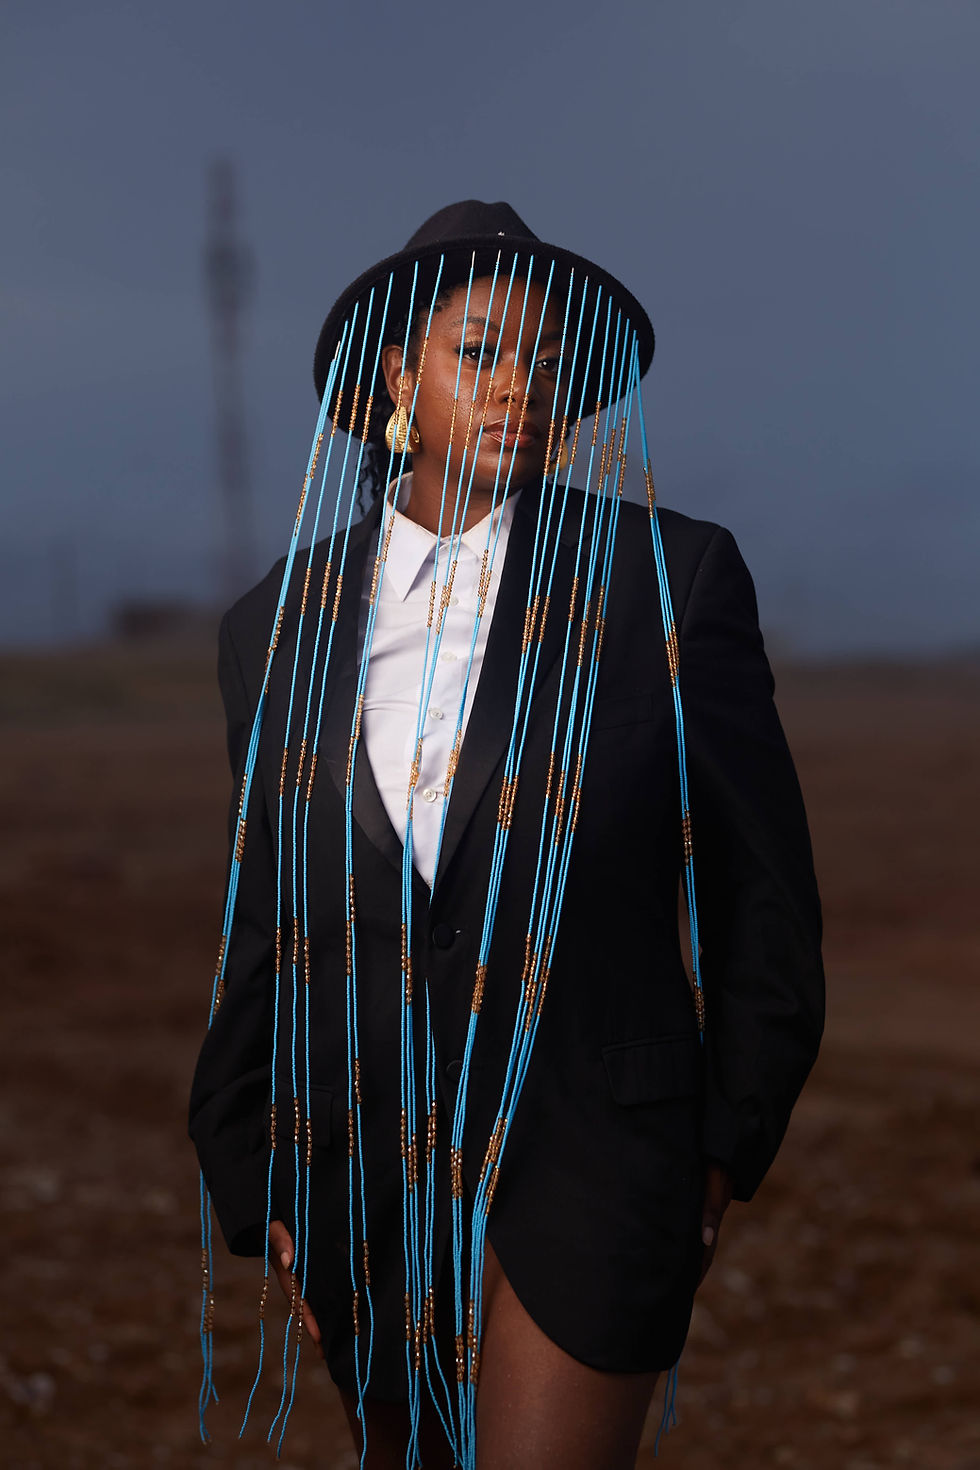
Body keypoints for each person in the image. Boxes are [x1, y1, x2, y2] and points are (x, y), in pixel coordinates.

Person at [189, 200, 824, 1469]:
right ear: (394, 374)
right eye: (478, 352)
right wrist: (260, 1174)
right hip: (362, 1169)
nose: (518, 387)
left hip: (594, 1153)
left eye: (545, 363)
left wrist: (718, 1152)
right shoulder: (275, 625)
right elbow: (274, 914)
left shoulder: (667, 580)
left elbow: (765, 896)